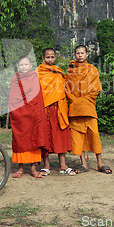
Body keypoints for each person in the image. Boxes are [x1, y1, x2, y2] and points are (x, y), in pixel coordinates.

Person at [65, 45, 112, 174]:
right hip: (75, 109)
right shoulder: (70, 72)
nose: (80, 55)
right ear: (75, 55)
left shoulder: (92, 69)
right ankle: (83, 164)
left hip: (89, 108)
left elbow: (96, 90)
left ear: (87, 55)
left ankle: (99, 163)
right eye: (77, 53)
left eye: (82, 53)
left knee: (94, 135)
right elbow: (67, 90)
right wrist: (76, 101)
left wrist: (80, 101)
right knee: (78, 136)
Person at [36, 48, 75, 176]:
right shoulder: (38, 72)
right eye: (48, 57)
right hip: (45, 109)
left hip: (59, 108)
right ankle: (46, 165)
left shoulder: (58, 72)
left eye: (52, 57)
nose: (50, 59)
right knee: (45, 136)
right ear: (43, 57)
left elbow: (65, 89)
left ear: (55, 57)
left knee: (60, 135)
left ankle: (62, 164)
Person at [9, 55, 47, 178]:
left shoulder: (34, 77)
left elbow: (36, 96)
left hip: (33, 115)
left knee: (33, 139)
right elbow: (13, 97)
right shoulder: (15, 79)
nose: (23, 66)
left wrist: (33, 111)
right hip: (20, 115)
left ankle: (33, 168)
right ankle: (20, 168)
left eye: (26, 64)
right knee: (20, 140)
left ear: (31, 66)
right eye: (21, 65)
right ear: (18, 67)